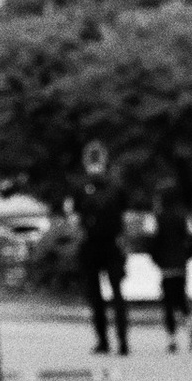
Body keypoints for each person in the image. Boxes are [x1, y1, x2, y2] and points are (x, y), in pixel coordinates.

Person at [75, 145, 130, 357]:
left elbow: (77, 219)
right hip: (110, 244)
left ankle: (105, 340)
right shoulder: (115, 186)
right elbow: (124, 216)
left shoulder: (82, 187)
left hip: (94, 244)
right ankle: (121, 340)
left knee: (98, 294)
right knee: (115, 293)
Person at [150, 185, 192, 350]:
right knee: (181, 298)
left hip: (165, 264)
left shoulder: (158, 218)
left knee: (168, 302)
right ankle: (191, 325)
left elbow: (152, 241)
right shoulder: (182, 216)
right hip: (180, 262)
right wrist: (187, 255)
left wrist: (156, 259)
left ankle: (172, 338)